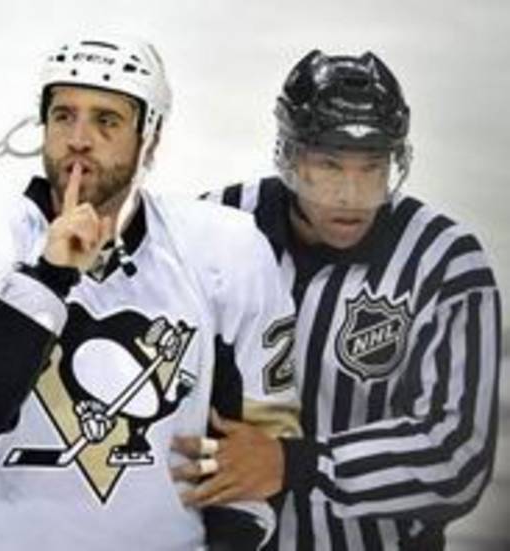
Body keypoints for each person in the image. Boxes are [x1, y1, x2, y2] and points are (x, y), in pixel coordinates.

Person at [0, 34, 301, 550]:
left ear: (150, 137)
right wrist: (48, 276)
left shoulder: (224, 250)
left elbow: (259, 450)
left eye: (106, 120)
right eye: (64, 116)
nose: (79, 139)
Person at [173, 50, 502, 549]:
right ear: (289, 158)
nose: (351, 195)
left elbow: (459, 457)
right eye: (329, 165)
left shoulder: (444, 261)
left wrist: (297, 464)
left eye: (372, 168)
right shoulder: (214, 225)